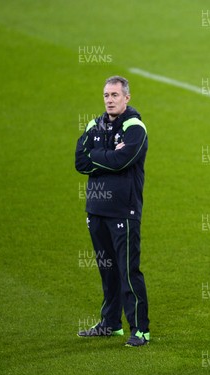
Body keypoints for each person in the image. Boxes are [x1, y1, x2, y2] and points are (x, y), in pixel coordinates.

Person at [75, 75, 150, 347]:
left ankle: (140, 329)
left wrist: (99, 155)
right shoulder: (94, 124)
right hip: (96, 210)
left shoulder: (135, 127)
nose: (109, 100)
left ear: (127, 97)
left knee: (128, 271)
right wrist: (107, 155)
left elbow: (123, 160)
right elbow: (80, 161)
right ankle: (110, 323)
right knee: (107, 270)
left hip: (123, 212)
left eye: (115, 95)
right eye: (106, 95)